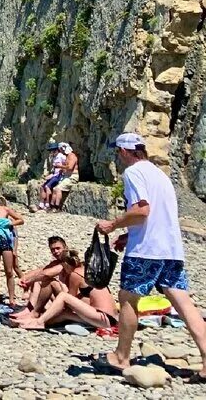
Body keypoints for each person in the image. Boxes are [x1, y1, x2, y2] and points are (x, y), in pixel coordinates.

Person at [95, 133, 206, 377]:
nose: (117, 157)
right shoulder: (160, 175)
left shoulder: (133, 173)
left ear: (125, 151)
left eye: (118, 152)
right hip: (171, 250)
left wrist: (113, 225)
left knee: (128, 300)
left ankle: (121, 357)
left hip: (146, 251)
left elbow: (142, 210)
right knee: (183, 302)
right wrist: (129, 234)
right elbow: (155, 215)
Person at [13, 250, 114, 330]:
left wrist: (61, 284)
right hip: (111, 319)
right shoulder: (85, 271)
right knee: (60, 315)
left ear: (65, 264)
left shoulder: (75, 274)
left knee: (63, 297)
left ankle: (38, 322)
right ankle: (35, 319)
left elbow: (69, 300)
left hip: (103, 318)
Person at [6, 235, 81, 315]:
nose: (56, 252)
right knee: (39, 280)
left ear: (65, 247)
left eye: (58, 248)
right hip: (66, 295)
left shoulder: (68, 262)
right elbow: (41, 270)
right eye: (53, 249)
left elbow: (46, 274)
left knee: (46, 281)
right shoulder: (57, 262)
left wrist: (29, 281)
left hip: (75, 299)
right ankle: (30, 310)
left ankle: (31, 312)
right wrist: (24, 278)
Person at [50, 143, 79, 211]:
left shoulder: (72, 156)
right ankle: (52, 206)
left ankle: (57, 207)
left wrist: (60, 166)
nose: (61, 152)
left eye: (61, 150)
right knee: (54, 189)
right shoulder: (67, 156)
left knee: (58, 189)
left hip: (72, 177)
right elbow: (66, 168)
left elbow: (70, 167)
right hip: (66, 176)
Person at [38, 144, 66, 210]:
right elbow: (54, 170)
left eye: (52, 151)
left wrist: (62, 170)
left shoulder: (62, 156)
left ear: (56, 150)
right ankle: (41, 204)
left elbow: (66, 166)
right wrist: (49, 175)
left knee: (47, 186)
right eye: (50, 151)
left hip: (59, 176)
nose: (51, 152)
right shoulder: (54, 157)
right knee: (42, 187)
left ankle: (48, 204)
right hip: (54, 175)